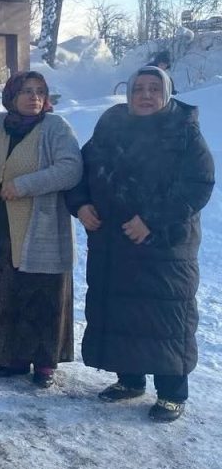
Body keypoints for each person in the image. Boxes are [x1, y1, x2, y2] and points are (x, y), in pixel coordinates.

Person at [66, 65, 214, 423]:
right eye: (138, 89)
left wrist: (151, 220)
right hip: (113, 243)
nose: (145, 96)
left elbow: (199, 183)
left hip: (163, 245)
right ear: (128, 93)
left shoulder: (183, 132)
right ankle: (129, 380)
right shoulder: (110, 126)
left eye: (153, 89)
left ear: (166, 93)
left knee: (165, 316)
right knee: (121, 312)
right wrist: (80, 204)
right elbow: (78, 171)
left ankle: (172, 393)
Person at [0, 71, 82, 388]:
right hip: (3, 228)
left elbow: (71, 169)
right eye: (25, 91)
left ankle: (44, 364)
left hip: (43, 229)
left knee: (43, 295)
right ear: (10, 95)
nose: (33, 97)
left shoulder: (55, 128)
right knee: (8, 293)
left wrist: (23, 185)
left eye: (39, 91)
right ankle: (13, 359)